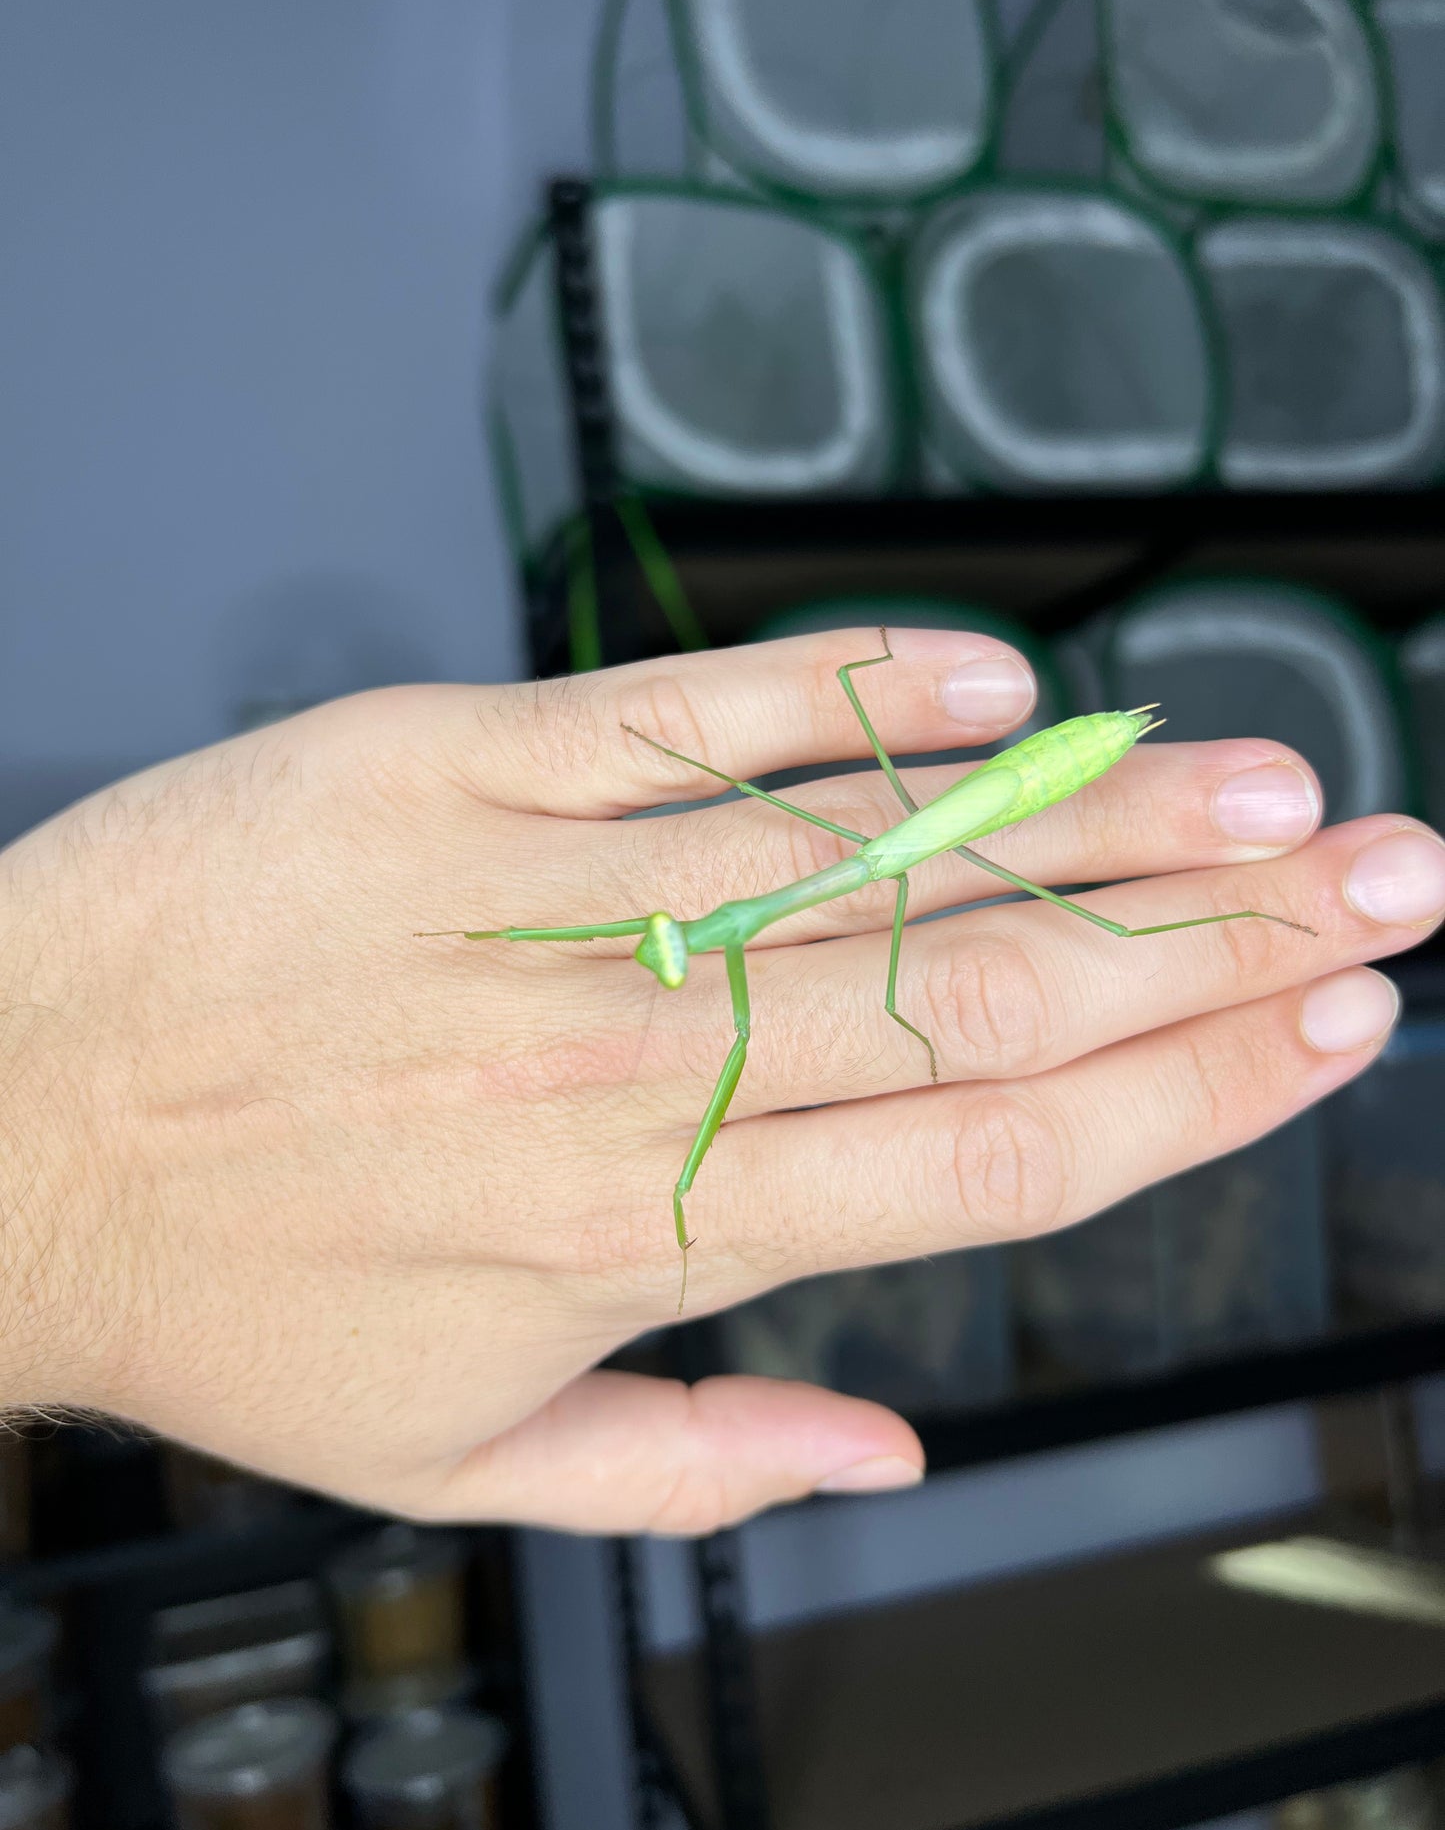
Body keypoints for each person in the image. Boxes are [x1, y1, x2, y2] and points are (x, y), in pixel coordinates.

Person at [1, 629, 1440, 1534]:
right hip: (980, 804)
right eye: (668, 941)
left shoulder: (763, 934)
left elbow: (790, 971)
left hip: (991, 801)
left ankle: (1238, 909)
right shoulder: (728, 931)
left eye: (666, 942)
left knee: (1064, 934)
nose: (667, 950)